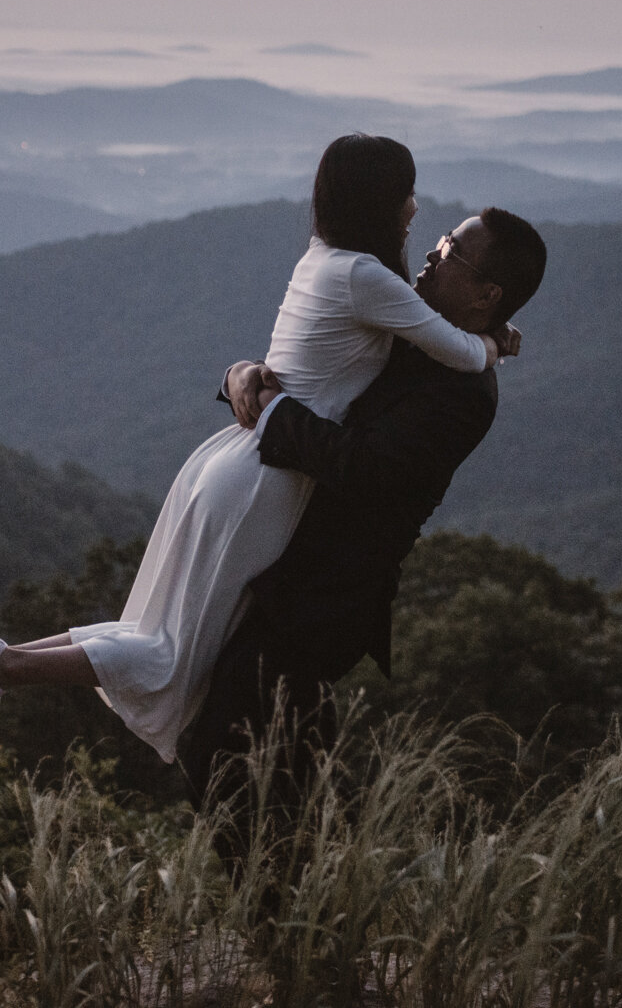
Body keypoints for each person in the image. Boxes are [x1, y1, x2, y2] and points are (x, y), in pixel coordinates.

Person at [0, 135, 517, 755]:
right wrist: (496, 344)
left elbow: (305, 364)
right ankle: (4, 669)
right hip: (266, 481)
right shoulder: (368, 278)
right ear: (379, 201)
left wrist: (241, 374)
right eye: (408, 195)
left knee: (158, 628)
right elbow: (457, 353)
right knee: (173, 653)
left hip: (227, 460)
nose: (415, 211)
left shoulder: (323, 258)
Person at [178, 206, 547, 814]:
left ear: (488, 294)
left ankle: (295, 895)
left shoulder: (463, 396)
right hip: (284, 574)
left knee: (228, 766)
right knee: (271, 765)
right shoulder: (417, 328)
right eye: (442, 238)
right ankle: (319, 891)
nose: (433, 254)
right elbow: (319, 370)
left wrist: (270, 404)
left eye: (453, 251)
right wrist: (242, 374)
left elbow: (363, 470)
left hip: (325, 599)